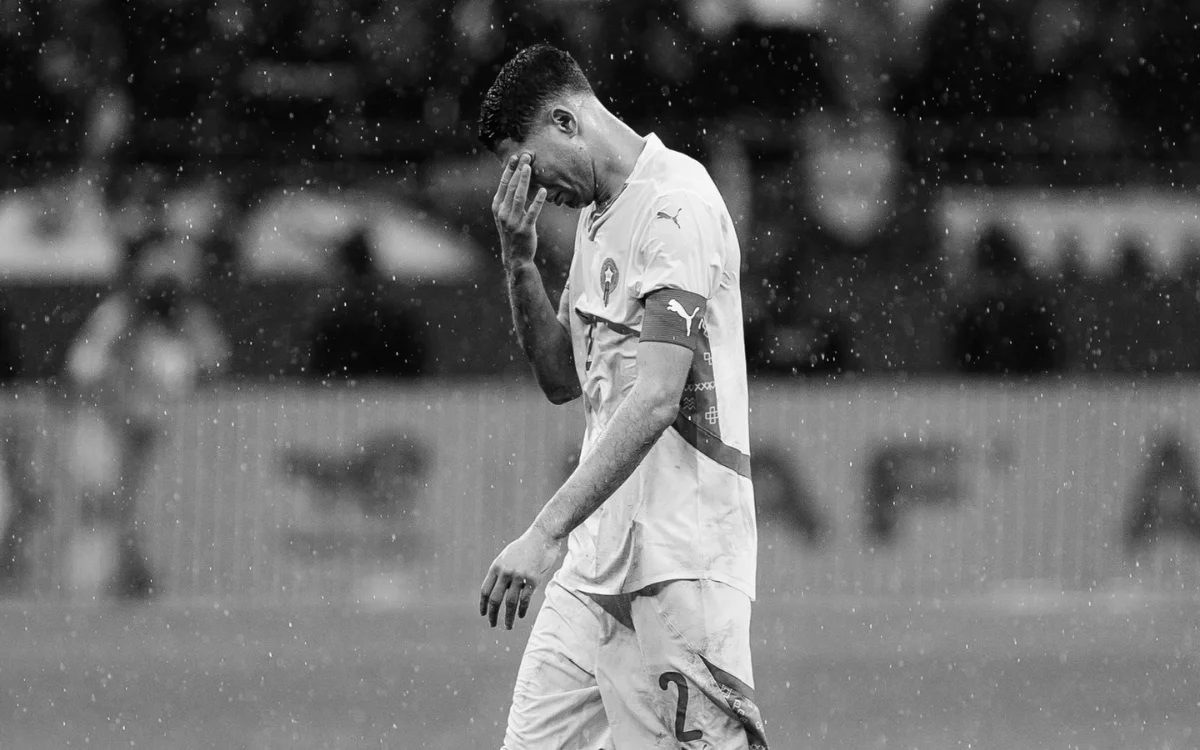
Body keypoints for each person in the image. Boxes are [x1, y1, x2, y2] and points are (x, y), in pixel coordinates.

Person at [476, 44, 767, 749]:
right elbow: (560, 378)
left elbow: (657, 398)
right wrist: (518, 258)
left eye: (531, 164)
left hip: (679, 563)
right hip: (597, 565)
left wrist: (544, 531)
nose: (536, 188)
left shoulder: (676, 206)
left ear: (565, 120)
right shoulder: (596, 223)